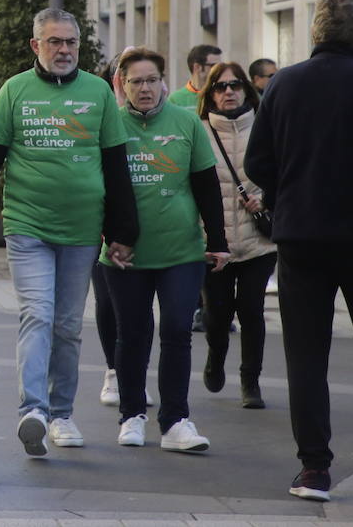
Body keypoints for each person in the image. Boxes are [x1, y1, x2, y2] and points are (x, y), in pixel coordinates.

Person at [0, 8, 137, 457]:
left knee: (70, 325)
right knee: (37, 313)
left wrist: (122, 231)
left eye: (71, 42)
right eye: (54, 42)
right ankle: (32, 411)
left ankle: (61, 415)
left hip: (81, 232)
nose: (64, 50)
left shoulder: (97, 93)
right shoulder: (15, 91)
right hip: (27, 226)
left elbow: (116, 167)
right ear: (36, 46)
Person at [244, 0, 353, 503]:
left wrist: (290, 191)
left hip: (300, 238)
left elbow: (256, 166)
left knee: (306, 356)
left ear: (314, 30)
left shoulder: (284, 85)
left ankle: (314, 469)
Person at [104, 48, 228, 453]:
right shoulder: (108, 124)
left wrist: (220, 241)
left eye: (152, 80)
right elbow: (95, 190)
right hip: (126, 253)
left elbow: (208, 184)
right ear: (121, 84)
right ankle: (132, 415)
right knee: (133, 334)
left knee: (177, 329)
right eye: (136, 81)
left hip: (181, 249)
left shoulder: (187, 122)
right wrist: (108, 237)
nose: (145, 88)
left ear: (164, 82)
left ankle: (175, 421)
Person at [197, 61, 275, 410]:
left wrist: (267, 198)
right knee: (217, 314)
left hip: (259, 240)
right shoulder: (198, 131)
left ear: (246, 89)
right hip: (214, 243)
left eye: (235, 85)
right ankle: (216, 354)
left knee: (252, 310)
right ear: (210, 94)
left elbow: (284, 173)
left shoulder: (264, 128)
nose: (228, 92)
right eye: (220, 86)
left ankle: (250, 381)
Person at [168, 44, 222, 109]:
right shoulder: (175, 100)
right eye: (214, 66)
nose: (219, 70)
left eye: (221, 66)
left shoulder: (222, 94)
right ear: (197, 67)